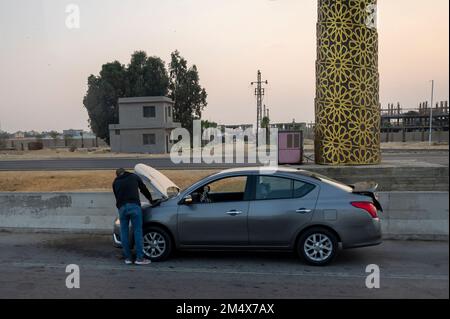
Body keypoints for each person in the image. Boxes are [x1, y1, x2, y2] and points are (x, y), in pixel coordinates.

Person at [112, 168, 153, 265]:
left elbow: (117, 196)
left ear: (118, 175)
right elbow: (143, 189)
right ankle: (139, 258)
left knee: (124, 233)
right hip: (134, 207)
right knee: (137, 231)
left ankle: (128, 258)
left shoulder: (115, 182)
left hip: (122, 208)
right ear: (125, 172)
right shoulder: (134, 177)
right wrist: (150, 199)